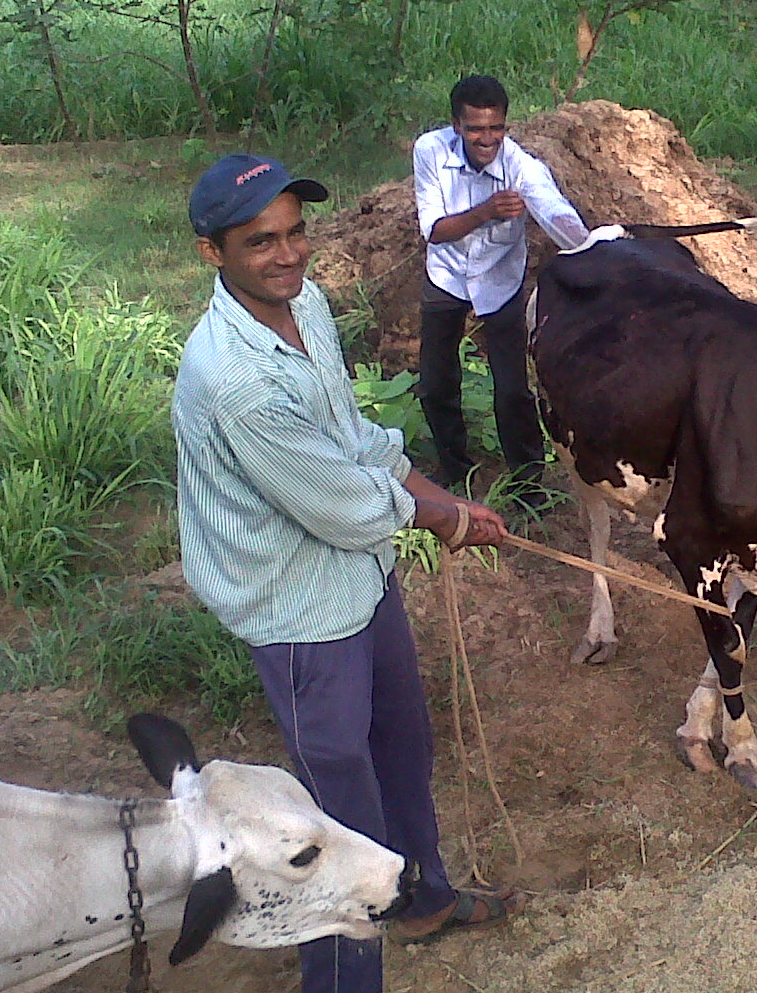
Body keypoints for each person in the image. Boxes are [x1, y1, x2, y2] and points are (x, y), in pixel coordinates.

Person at [174, 154, 524, 993]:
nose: (289, 254)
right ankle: (342, 981)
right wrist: (442, 516)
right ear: (211, 254)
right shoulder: (233, 381)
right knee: (339, 819)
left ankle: (424, 900)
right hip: (296, 610)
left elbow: (355, 441)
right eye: (262, 241)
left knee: (404, 749)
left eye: (296, 233)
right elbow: (339, 504)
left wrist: (444, 501)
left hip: (358, 581)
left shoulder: (307, 306)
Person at [412, 74, 588, 496]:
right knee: (435, 384)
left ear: (506, 126)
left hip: (500, 280)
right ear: (456, 126)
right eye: (475, 129)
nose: (486, 139)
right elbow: (434, 231)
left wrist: (590, 248)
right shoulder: (430, 151)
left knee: (512, 390)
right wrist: (487, 211)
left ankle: (529, 487)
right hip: (447, 275)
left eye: (496, 128)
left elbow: (555, 213)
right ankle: (456, 473)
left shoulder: (523, 168)